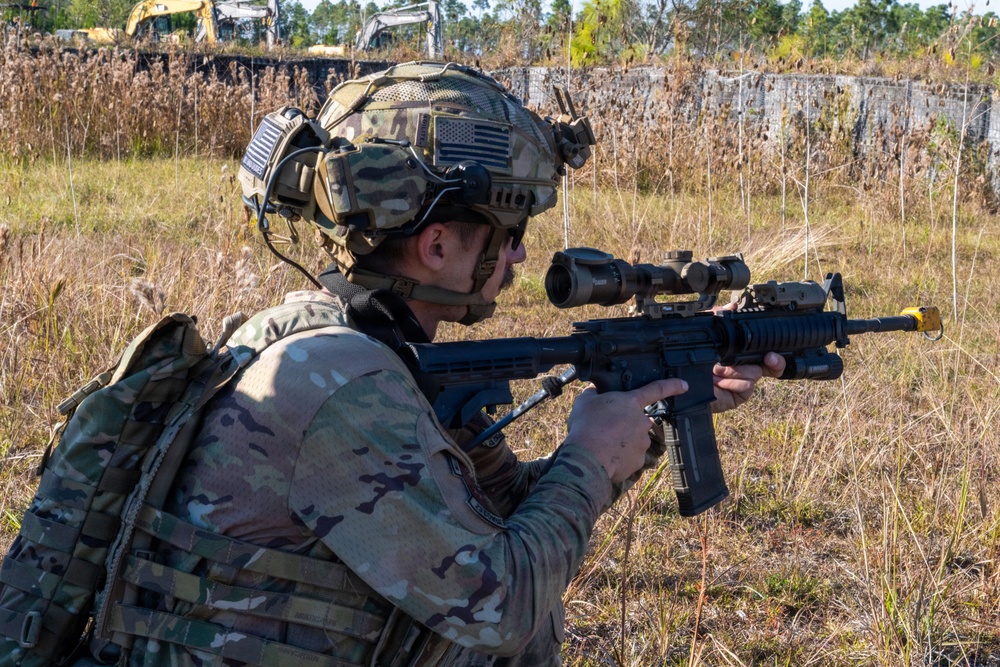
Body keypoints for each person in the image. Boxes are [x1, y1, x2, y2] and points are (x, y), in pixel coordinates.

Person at [108, 62, 784, 667]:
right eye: (511, 233)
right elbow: (502, 606)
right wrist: (585, 459)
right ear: (436, 245)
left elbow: (504, 510)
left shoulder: (326, 338)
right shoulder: (348, 390)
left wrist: (655, 411)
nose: (519, 257)